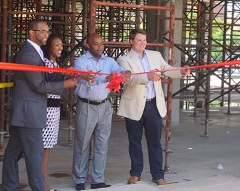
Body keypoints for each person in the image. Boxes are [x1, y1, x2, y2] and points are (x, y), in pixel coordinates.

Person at [2, 19, 77, 191]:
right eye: (43, 31)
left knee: (13, 154)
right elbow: (39, 85)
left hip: (25, 113)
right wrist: (65, 85)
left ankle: (9, 187)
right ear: (31, 33)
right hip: (29, 114)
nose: (46, 35)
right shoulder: (29, 54)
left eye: (47, 32)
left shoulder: (34, 53)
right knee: (35, 156)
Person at [116, 29, 190, 186]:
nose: (143, 43)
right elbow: (127, 79)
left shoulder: (155, 56)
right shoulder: (123, 59)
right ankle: (135, 173)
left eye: (144, 40)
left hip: (153, 105)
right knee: (134, 141)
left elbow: (167, 69)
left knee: (155, 141)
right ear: (131, 41)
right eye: (139, 40)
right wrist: (146, 77)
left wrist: (181, 72)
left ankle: (158, 174)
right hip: (134, 105)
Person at [72, 33, 131, 190]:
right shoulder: (81, 61)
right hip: (86, 105)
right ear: (88, 46)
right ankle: (79, 179)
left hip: (104, 106)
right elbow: (88, 80)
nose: (100, 47)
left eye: (101, 44)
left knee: (102, 143)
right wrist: (105, 79)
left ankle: (98, 179)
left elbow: (120, 70)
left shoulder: (109, 61)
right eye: (96, 44)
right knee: (82, 143)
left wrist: (125, 73)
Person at [41, 34, 65, 191]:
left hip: (55, 110)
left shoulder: (57, 65)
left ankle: (42, 181)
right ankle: (42, 183)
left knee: (47, 148)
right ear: (49, 46)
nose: (60, 48)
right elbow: (47, 83)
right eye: (56, 45)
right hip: (46, 110)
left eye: (61, 45)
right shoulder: (45, 63)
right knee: (43, 148)